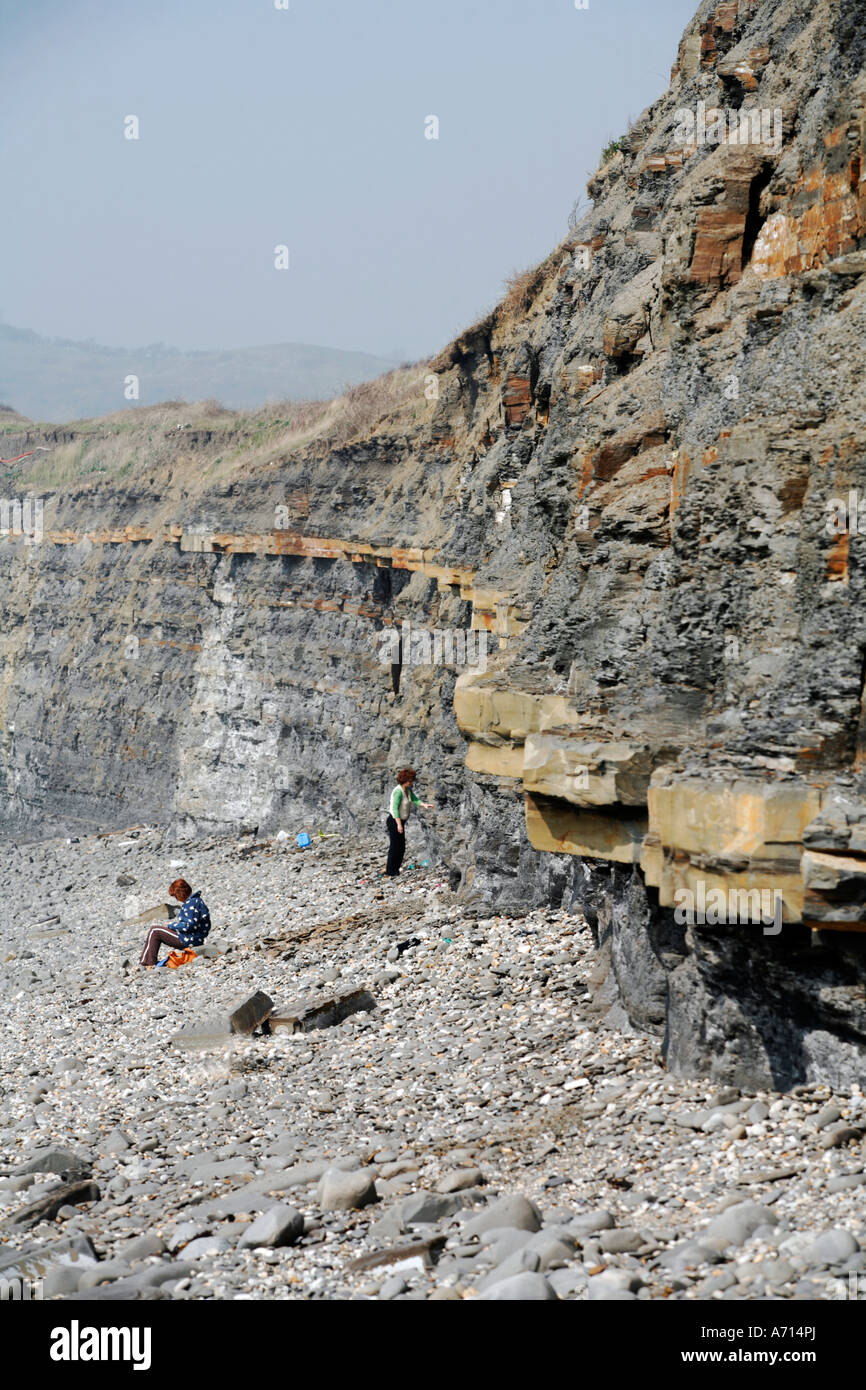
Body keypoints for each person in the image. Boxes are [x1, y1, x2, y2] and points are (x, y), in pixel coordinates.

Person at [138, 878, 211, 968]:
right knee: (158, 930)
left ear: (180, 894)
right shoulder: (197, 901)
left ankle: (147, 963)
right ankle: (148, 961)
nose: (176, 900)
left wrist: (171, 925)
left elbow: (189, 925)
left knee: (155, 930)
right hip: (196, 939)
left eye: (176, 896)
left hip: (188, 940)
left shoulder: (190, 903)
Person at [385, 768, 433, 877]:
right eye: (410, 781)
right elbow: (394, 809)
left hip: (400, 821)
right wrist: (398, 824)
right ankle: (391, 871)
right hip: (394, 821)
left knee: (401, 847)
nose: (412, 783)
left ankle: (395, 870)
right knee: (395, 847)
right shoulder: (398, 791)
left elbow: (415, 799)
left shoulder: (407, 790)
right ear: (405, 781)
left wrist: (423, 804)